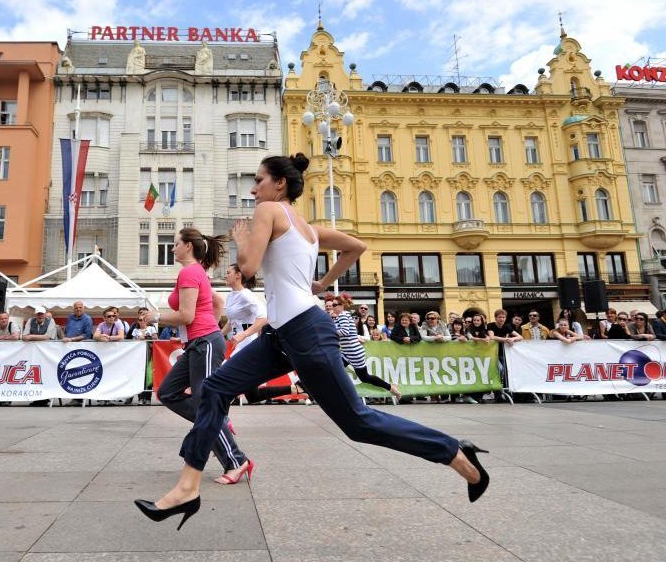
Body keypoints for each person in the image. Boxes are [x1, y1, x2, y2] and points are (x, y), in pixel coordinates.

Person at [135, 153, 489, 529]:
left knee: (359, 422)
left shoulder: (268, 212)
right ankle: (187, 487)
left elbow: (249, 268)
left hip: (306, 330)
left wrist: (242, 242)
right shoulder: (308, 228)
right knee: (215, 387)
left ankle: (453, 450)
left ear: (279, 184)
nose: (253, 189)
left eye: (259, 180)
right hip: (280, 334)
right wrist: (321, 283)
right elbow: (356, 246)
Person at [143, 228, 251, 486]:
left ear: (188, 246)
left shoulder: (190, 272)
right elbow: (216, 304)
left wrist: (156, 316)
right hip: (199, 342)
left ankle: (236, 460)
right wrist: (208, 327)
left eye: (176, 243)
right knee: (167, 392)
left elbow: (187, 316)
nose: (172, 248)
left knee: (205, 405)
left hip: (204, 343)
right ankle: (217, 420)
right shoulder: (195, 272)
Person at [223, 263, 304, 404]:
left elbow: (264, 317)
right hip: (236, 344)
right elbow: (230, 322)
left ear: (238, 275)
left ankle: (217, 418)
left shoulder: (246, 295)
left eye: (228, 272)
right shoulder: (230, 296)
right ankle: (295, 389)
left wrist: (244, 334)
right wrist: (217, 335)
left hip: (247, 344)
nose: (225, 275)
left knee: (224, 379)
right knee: (252, 396)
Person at [331, 294, 402, 398]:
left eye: (334, 305)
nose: (333, 307)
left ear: (342, 305)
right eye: (332, 305)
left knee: (362, 377)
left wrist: (330, 332)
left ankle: (391, 388)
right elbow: (350, 332)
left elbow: (344, 332)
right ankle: (391, 387)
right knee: (341, 372)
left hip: (354, 352)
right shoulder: (342, 316)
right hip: (348, 351)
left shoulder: (343, 315)